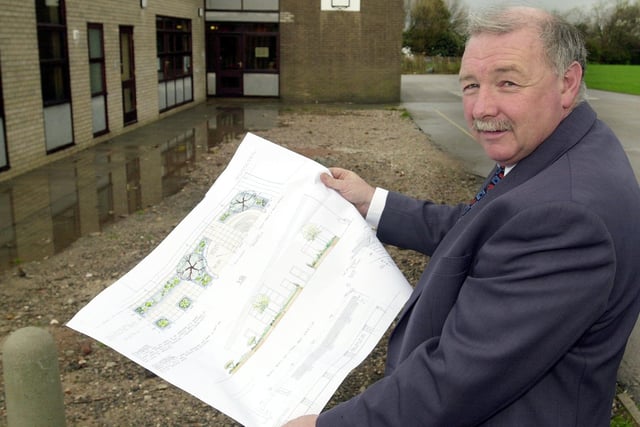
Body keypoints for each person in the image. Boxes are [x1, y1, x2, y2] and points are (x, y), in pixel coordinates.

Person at [283, 5, 640, 427]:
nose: (481, 108)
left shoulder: (566, 214)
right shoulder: (550, 146)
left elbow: (458, 379)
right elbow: (477, 225)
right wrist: (370, 202)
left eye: (507, 82)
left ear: (567, 83)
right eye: (471, 85)